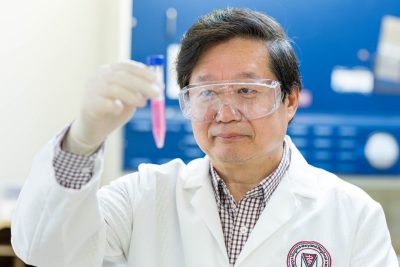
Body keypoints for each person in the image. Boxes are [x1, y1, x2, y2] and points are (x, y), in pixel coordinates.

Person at [11, 8, 398, 267]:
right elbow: (47, 252)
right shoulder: (142, 197)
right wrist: (82, 141)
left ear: (290, 100)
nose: (224, 113)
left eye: (247, 90)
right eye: (207, 92)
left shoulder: (353, 215)